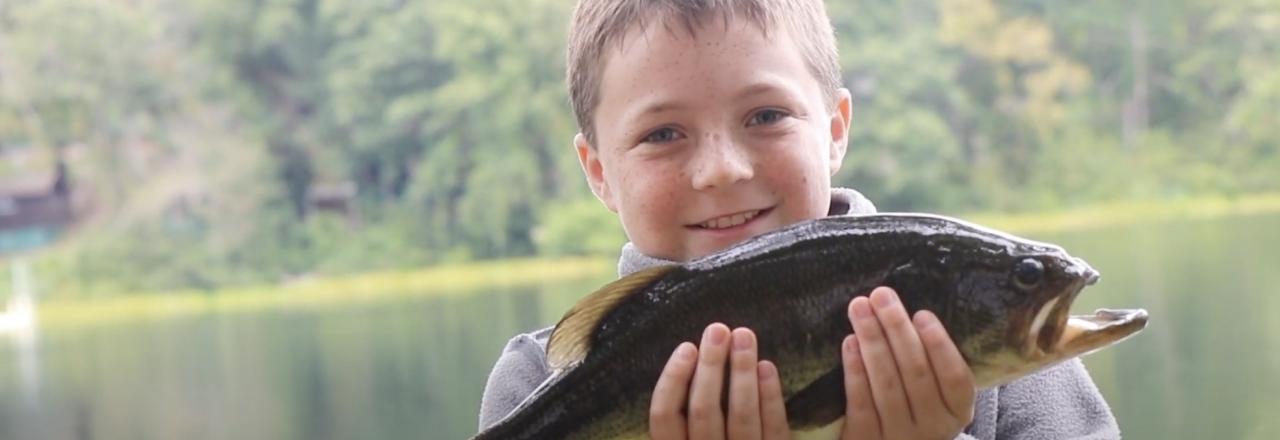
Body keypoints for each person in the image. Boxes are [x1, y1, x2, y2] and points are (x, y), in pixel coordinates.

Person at [479, 0, 1120, 438]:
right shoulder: (538, 383)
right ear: (598, 173)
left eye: (766, 116)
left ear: (835, 130)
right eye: (663, 134)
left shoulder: (1016, 365)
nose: (722, 170)